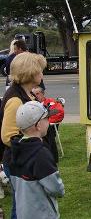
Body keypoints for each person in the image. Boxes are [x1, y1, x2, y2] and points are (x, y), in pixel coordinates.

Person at [0, 52, 47, 219]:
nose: (42, 73)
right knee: (20, 208)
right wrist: (33, 150)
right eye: (40, 70)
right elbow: (8, 136)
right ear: (30, 72)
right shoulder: (15, 99)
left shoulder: (27, 93)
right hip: (17, 162)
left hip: (25, 160)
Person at [10, 101, 64, 219]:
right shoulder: (41, 154)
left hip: (22, 212)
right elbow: (56, 189)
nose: (49, 122)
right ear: (38, 125)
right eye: (46, 118)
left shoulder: (14, 148)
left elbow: (15, 183)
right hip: (42, 214)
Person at [32, 87, 64, 162]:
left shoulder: (51, 102)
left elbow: (60, 113)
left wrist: (45, 121)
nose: (35, 96)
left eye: (37, 94)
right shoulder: (30, 104)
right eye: (33, 94)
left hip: (49, 129)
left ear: (43, 94)